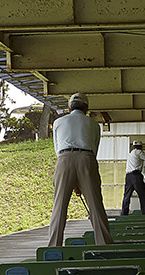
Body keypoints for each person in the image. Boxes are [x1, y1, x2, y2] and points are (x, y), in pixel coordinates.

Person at [46, 94, 114, 247]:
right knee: (96, 205)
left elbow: (58, 149)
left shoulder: (58, 122)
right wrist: (82, 180)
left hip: (64, 159)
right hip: (87, 158)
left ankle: (53, 246)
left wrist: (74, 180)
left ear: (69, 108)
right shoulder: (93, 124)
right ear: (86, 108)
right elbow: (95, 149)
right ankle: (104, 243)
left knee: (59, 206)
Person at [121, 140, 145, 215]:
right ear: (141, 147)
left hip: (128, 176)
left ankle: (124, 214)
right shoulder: (139, 152)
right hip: (136, 176)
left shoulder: (130, 154)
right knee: (142, 196)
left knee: (127, 196)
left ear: (133, 146)